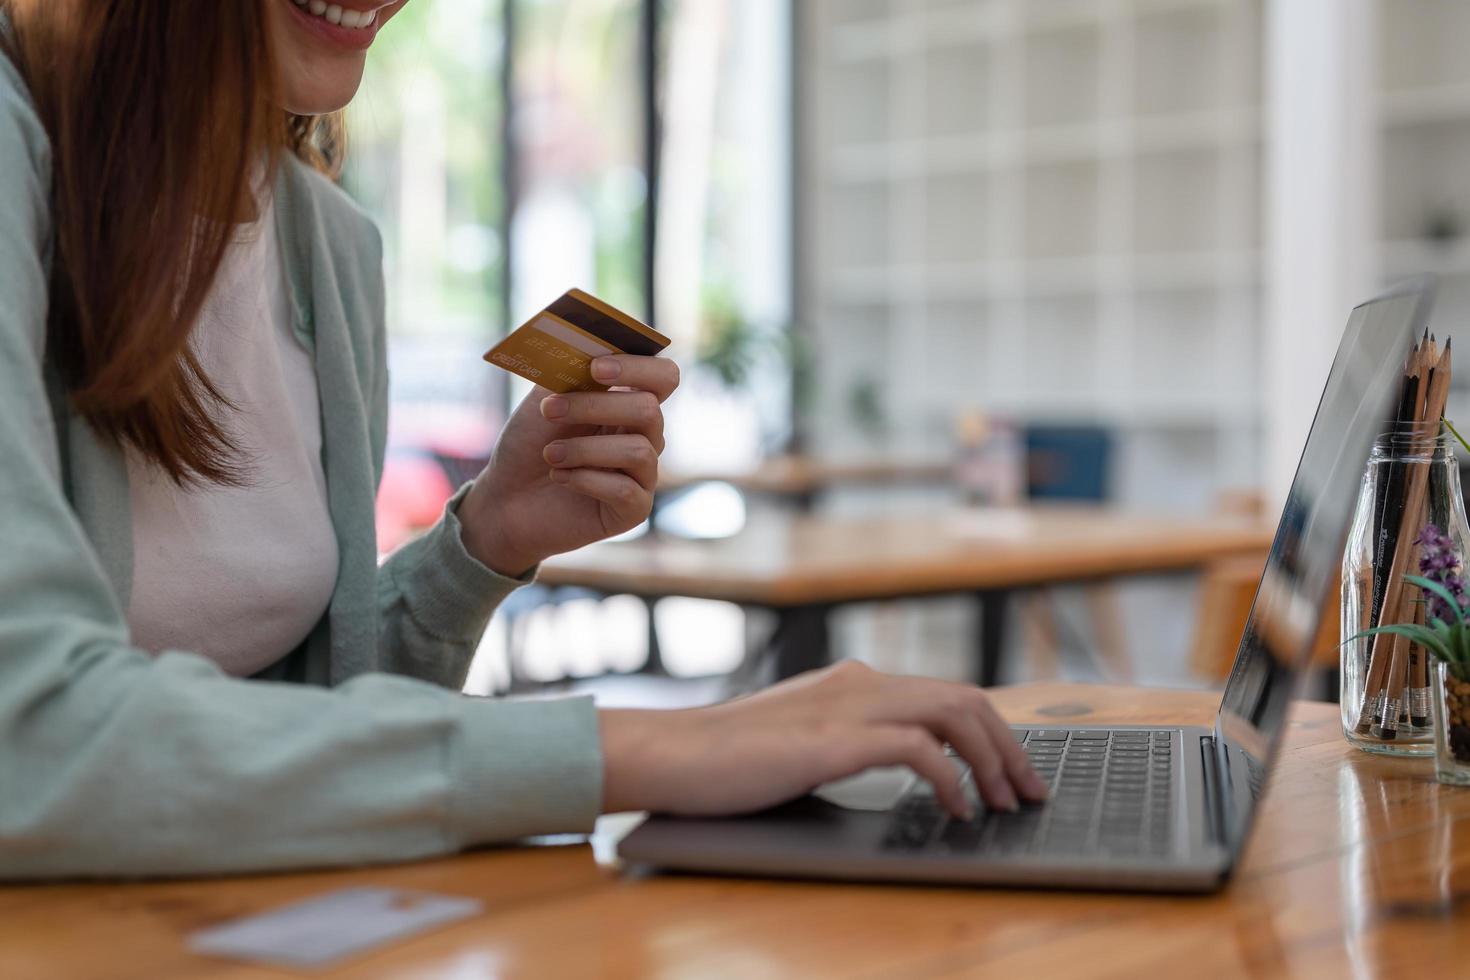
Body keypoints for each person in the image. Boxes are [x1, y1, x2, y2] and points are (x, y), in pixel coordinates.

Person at [0, 0, 1046, 879]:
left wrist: (482, 543)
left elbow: (300, 733)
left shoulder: (329, 246)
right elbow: (28, 737)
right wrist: (667, 744)